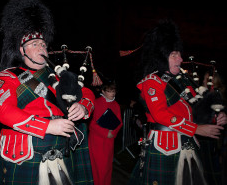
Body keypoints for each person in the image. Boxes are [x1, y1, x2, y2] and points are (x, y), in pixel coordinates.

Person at [0, 0, 95, 184]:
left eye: (43, 44)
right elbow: (4, 112)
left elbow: (86, 93)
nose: (41, 48)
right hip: (25, 154)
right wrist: (47, 126)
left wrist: (83, 106)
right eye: (34, 44)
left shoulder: (58, 76)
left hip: (59, 150)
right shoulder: (8, 77)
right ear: (22, 50)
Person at [127, 19, 227, 185]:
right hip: (164, 147)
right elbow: (160, 115)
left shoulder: (183, 81)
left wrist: (216, 116)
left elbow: (196, 109)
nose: (180, 59)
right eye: (174, 55)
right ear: (162, 56)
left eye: (179, 54)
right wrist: (196, 129)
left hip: (188, 146)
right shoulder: (152, 81)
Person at [88, 80, 123, 185]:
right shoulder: (96, 102)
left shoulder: (116, 105)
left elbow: (120, 122)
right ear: (103, 91)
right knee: (96, 167)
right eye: (109, 91)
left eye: (114, 91)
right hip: (96, 141)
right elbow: (91, 124)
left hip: (109, 141)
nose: (113, 93)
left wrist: (113, 133)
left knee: (107, 167)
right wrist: (105, 133)